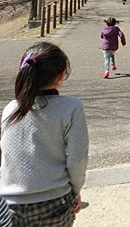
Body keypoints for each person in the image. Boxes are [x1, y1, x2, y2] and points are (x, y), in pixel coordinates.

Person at [0, 42, 88, 227]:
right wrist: (75, 191)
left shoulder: (11, 109)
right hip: (53, 202)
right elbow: (77, 159)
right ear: (61, 75)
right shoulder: (71, 107)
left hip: (9, 206)